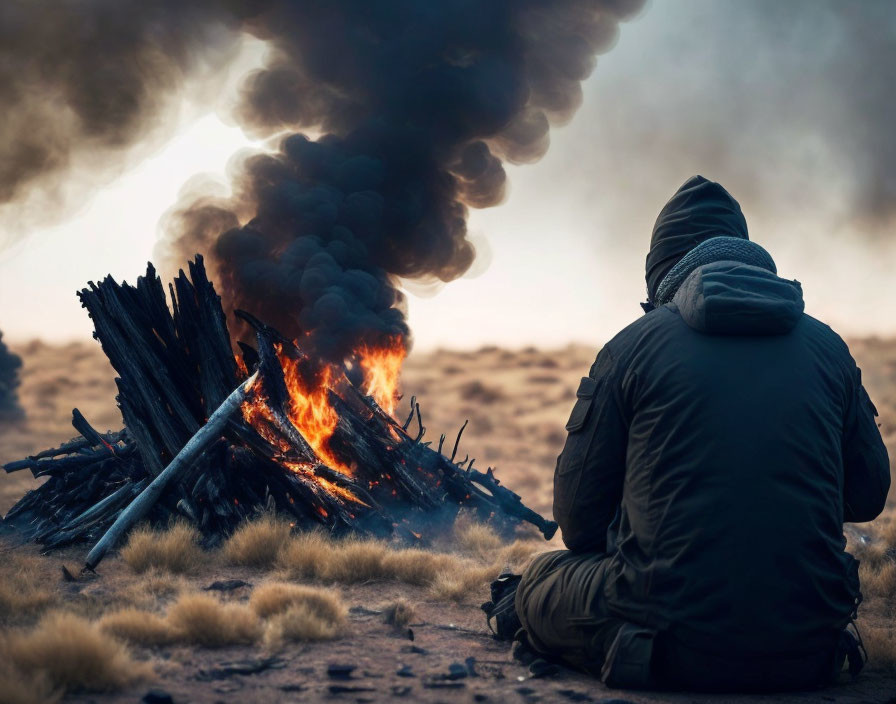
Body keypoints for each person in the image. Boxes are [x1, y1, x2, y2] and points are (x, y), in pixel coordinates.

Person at [496, 176, 891, 691]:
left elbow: (578, 523)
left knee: (541, 580)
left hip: (668, 646)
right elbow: (867, 495)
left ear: (659, 277)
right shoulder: (830, 349)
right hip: (808, 646)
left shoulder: (631, 348)